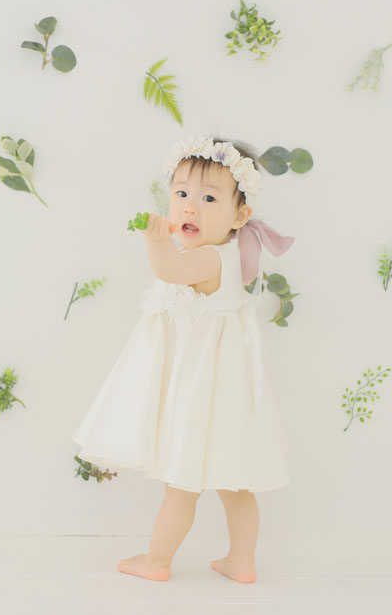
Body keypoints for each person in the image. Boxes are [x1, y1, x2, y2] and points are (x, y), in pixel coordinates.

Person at [70, 135, 296, 583]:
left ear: (240, 216)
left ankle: (157, 560)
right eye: (181, 193)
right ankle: (242, 560)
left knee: (183, 480)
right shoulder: (224, 254)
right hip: (226, 389)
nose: (190, 207)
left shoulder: (208, 258)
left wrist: (156, 242)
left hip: (201, 391)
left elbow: (170, 271)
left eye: (209, 199)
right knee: (236, 483)